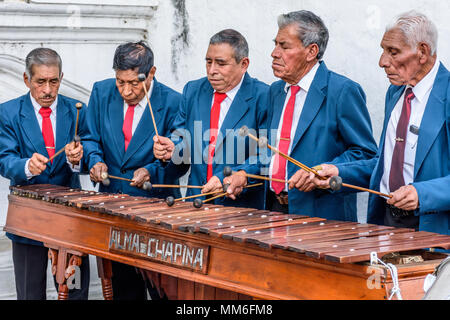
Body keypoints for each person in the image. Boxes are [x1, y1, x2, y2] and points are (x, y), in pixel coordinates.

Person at [226, 10, 377, 221]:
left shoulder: (342, 91)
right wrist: (244, 173)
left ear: (311, 51)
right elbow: (272, 152)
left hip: (321, 215)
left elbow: (367, 155)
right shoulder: (276, 91)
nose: (274, 53)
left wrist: (327, 170)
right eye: (275, 44)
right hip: (274, 210)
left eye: (284, 46)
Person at [311, 11, 450, 235]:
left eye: (393, 52)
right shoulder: (395, 93)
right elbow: (385, 165)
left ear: (422, 52)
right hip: (385, 221)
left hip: (432, 228)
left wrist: (421, 194)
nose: (382, 62)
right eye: (383, 51)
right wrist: (339, 171)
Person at [83, 41, 182, 299]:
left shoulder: (174, 102)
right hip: (113, 211)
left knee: (165, 293)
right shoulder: (102, 92)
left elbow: (181, 159)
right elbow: (90, 137)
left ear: (151, 73)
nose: (126, 91)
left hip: (156, 213)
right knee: (124, 292)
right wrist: (95, 160)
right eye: (120, 82)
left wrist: (151, 169)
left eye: (134, 83)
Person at [0, 48, 89, 300]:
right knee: (29, 294)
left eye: (54, 81)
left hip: (70, 219)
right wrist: (26, 166)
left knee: (75, 292)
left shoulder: (78, 110)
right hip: (27, 218)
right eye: (40, 82)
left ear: (61, 78)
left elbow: (91, 155)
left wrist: (78, 159)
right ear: (27, 79)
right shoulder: (7, 113)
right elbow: (4, 159)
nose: (48, 90)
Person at [153, 29, 269, 209]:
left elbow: (266, 155)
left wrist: (234, 177)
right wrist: (173, 151)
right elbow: (182, 139)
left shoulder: (263, 97)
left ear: (244, 64)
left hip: (240, 208)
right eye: (208, 62)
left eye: (221, 63)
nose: (212, 70)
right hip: (195, 203)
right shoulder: (193, 91)